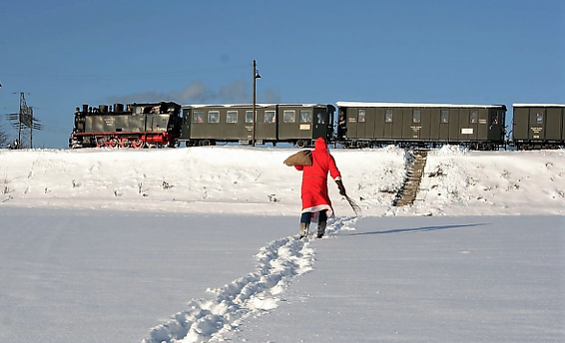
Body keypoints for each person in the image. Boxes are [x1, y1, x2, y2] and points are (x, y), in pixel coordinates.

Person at [295, 137, 346, 239]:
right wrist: (340, 185)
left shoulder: (309, 155)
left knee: (307, 208)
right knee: (323, 206)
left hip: (307, 186)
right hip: (320, 186)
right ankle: (320, 230)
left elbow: (298, 167)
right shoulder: (328, 157)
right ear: (325, 146)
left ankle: (303, 231)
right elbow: (334, 172)